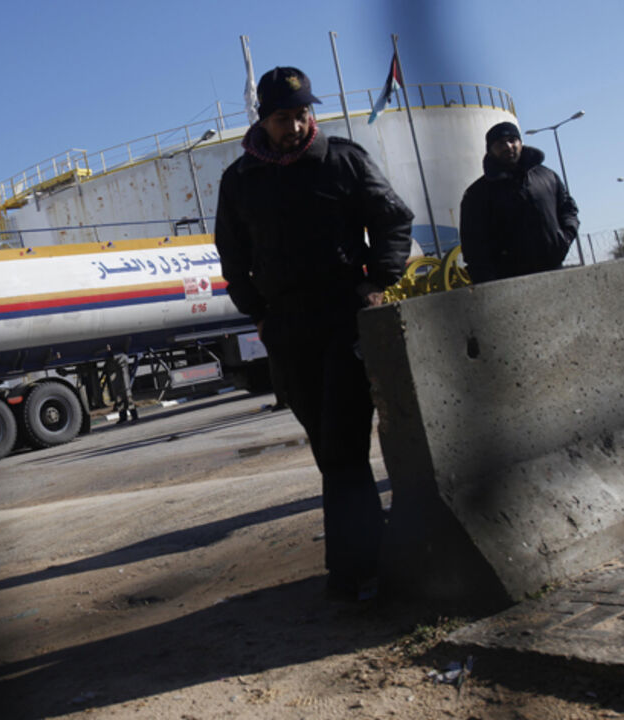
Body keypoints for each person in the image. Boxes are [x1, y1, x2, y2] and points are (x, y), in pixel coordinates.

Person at [214, 66, 414, 602]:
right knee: (327, 449)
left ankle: (358, 571)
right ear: (264, 121)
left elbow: (394, 219)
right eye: (285, 118)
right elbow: (232, 257)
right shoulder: (238, 182)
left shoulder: (342, 159)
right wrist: (258, 313)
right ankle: (368, 557)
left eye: (304, 114)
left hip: (345, 318)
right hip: (287, 328)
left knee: (343, 442)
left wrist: (376, 282)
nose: (297, 126)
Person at [458, 121, 580, 283]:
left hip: (554, 271)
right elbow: (473, 245)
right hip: (509, 280)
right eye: (500, 143)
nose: (508, 146)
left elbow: (568, 209)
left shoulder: (548, 177)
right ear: (490, 150)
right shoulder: (477, 194)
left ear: (520, 143)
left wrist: (564, 238)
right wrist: (486, 283)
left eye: (512, 140)